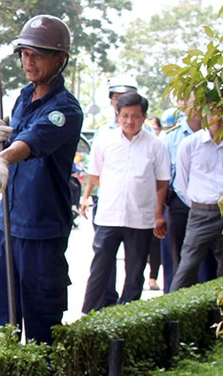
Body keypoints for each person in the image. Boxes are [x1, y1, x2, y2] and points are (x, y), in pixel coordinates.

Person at [0, 14, 83, 345]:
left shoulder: (65, 109)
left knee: (40, 318)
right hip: (8, 222)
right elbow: (18, 133)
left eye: (38, 54)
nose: (28, 61)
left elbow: (35, 140)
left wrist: (3, 156)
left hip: (42, 228)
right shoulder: (24, 95)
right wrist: (1, 131)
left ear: (59, 59)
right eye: (24, 53)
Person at [79, 92, 169, 313]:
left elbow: (162, 182)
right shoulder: (104, 142)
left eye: (136, 116)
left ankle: (126, 315)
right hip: (109, 215)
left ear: (144, 116)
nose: (130, 121)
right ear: (117, 115)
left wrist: (158, 215)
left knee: (135, 271)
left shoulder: (155, 146)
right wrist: (86, 197)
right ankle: (89, 312)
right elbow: (95, 174)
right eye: (125, 115)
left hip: (141, 218)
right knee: (100, 267)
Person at [167, 113, 223, 291]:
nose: (218, 116)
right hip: (201, 212)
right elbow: (182, 183)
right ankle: (171, 311)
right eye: (214, 110)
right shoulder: (191, 143)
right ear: (205, 112)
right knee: (187, 266)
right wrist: (199, 204)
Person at [145, 115, 163, 289]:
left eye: (156, 128)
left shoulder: (158, 144)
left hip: (155, 203)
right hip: (138, 206)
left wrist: (158, 211)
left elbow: (162, 181)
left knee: (154, 243)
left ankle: (153, 277)